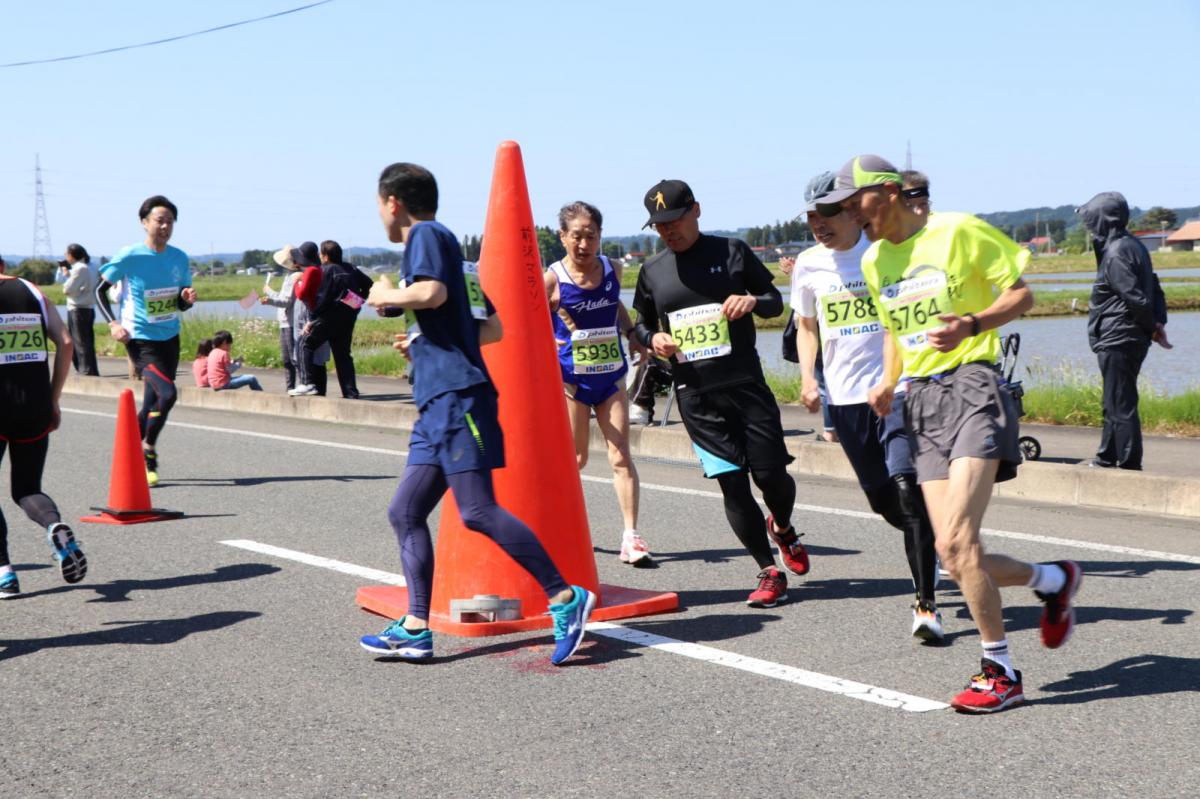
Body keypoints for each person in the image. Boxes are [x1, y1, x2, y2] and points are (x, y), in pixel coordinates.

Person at [823, 154, 1081, 713]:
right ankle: (1052, 578)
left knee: (960, 541)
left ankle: (1000, 670)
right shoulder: (874, 263)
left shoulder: (958, 231)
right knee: (951, 550)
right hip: (920, 401)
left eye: (852, 202)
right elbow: (895, 331)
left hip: (974, 386)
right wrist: (888, 381)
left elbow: (1021, 295)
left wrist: (973, 323)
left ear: (886, 192)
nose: (846, 214)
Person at [359, 161, 594, 665]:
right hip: (438, 400)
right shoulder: (452, 251)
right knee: (404, 511)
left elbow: (430, 294)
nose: (379, 214)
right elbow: (490, 330)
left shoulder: (423, 236)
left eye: (379, 204)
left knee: (477, 510)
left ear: (392, 202)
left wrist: (385, 297)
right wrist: (424, 341)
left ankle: (564, 597)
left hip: (456, 399)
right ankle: (418, 628)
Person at [631, 179, 804, 607]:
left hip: (746, 385)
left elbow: (773, 302)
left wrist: (750, 301)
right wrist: (653, 340)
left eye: (674, 220)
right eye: (659, 225)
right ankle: (768, 570)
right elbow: (640, 324)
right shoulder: (653, 271)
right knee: (731, 484)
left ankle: (781, 526)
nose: (668, 231)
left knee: (771, 477)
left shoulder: (732, 251)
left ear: (696, 211)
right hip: (695, 394)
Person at [790, 171, 941, 641]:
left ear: (853, 211)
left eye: (829, 213)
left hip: (896, 390)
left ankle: (926, 604)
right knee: (882, 500)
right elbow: (807, 326)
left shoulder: (880, 254)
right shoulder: (809, 266)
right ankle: (936, 538)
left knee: (904, 486)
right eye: (813, 216)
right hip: (846, 398)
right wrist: (808, 379)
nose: (819, 224)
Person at [544, 201, 650, 566]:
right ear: (563, 237)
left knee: (621, 453)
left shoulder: (613, 268)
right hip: (572, 382)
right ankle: (560, 529)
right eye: (577, 236)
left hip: (610, 377)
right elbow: (531, 326)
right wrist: (550, 340)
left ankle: (631, 536)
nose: (584, 244)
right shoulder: (552, 278)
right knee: (576, 458)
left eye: (591, 236)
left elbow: (614, 306)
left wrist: (633, 333)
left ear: (600, 236)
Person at [95, 195, 197, 487]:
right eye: (159, 220)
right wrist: (114, 324)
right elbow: (99, 290)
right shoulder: (130, 255)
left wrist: (186, 299)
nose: (165, 226)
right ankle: (148, 450)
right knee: (168, 394)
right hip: (139, 339)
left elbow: (180, 302)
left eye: (170, 221)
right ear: (144, 223)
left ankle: (130, 452)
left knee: (154, 401)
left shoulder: (179, 257)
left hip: (170, 336)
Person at [0, 259, 88, 598]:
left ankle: (5, 572)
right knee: (26, 488)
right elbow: (66, 343)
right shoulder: (32, 291)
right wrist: (53, 399)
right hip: (34, 405)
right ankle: (54, 527)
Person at [1079, 191, 1171, 471]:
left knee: (1121, 404)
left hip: (1120, 335)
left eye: (1091, 220)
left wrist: (1153, 326)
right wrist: (1157, 323)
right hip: (1126, 335)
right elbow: (1153, 286)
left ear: (1103, 219)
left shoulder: (1118, 252)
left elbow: (1136, 297)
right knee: (1114, 399)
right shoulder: (1131, 245)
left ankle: (1130, 465)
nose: (1088, 226)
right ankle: (1107, 456)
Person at [299, 240, 373, 399]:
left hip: (328, 317)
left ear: (325, 256)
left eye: (321, 253)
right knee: (343, 355)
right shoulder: (351, 268)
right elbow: (369, 284)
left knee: (306, 343)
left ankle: (308, 383)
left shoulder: (325, 270)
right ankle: (350, 392)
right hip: (349, 316)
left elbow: (322, 298)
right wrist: (358, 301)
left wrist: (312, 319)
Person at [288, 242, 330, 397]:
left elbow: (302, 293)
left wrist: (297, 282)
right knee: (311, 351)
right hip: (315, 313)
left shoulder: (311, 271)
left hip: (309, 314)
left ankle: (307, 383)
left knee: (302, 346)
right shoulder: (318, 269)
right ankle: (313, 386)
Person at [261, 247, 303, 391]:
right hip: (285, 322)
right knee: (288, 360)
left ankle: (300, 385)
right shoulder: (291, 275)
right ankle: (291, 388)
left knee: (293, 359)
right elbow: (284, 297)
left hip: (290, 322)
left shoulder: (294, 277)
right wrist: (270, 293)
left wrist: (269, 299)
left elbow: (286, 302)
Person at [60, 243, 100, 376]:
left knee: (79, 342)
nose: (66, 257)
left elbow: (67, 289)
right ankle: (90, 369)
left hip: (77, 308)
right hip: (89, 307)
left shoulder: (79, 268)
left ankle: (84, 370)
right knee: (87, 341)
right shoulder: (92, 266)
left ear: (72, 255)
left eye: (67, 254)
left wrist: (67, 277)